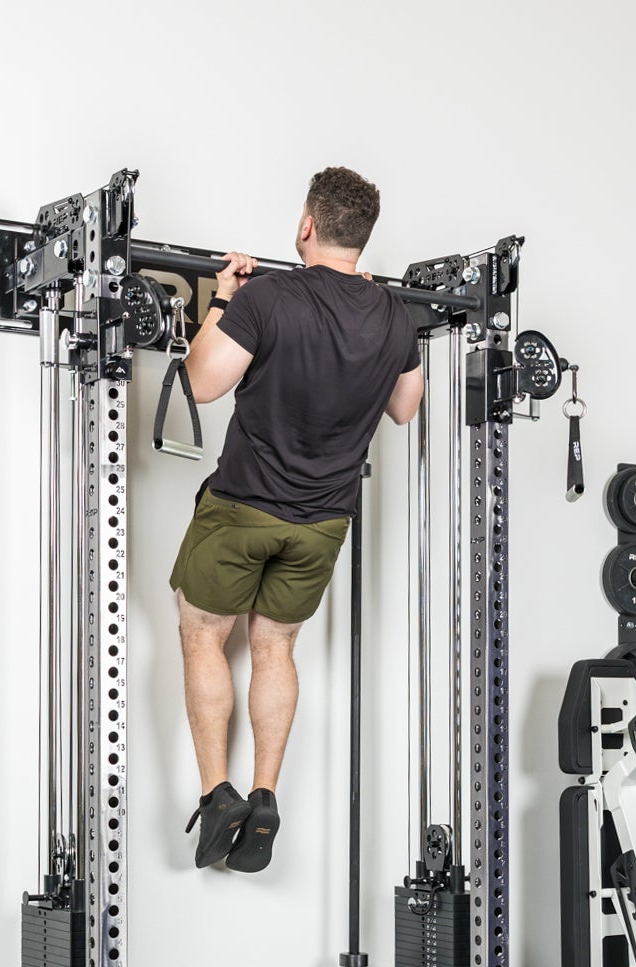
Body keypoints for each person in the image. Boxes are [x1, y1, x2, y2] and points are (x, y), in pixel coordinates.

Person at [170, 166, 424, 873]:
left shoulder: (268, 297)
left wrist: (224, 299)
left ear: (307, 225)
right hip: (323, 525)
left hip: (243, 507)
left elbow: (200, 382)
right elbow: (405, 408)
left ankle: (217, 794)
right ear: (361, 237)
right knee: (275, 648)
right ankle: (265, 795)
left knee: (203, 634)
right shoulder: (395, 316)